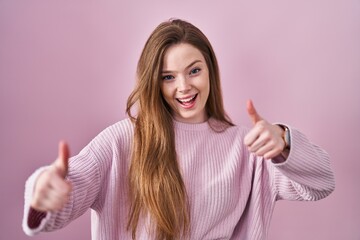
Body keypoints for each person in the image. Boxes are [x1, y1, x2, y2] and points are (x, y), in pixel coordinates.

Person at [22, 19, 335, 240]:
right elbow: (62, 199)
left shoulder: (247, 147)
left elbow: (320, 183)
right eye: (168, 76)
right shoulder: (121, 140)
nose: (184, 87)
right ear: (153, 83)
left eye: (194, 70)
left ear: (210, 69)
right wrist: (42, 193)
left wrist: (283, 141)